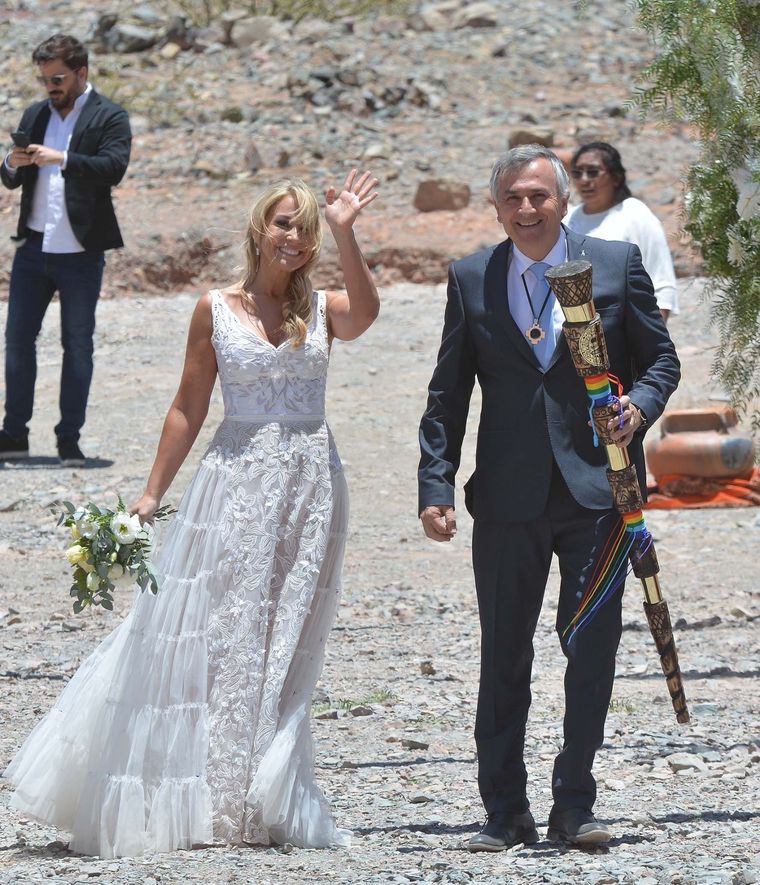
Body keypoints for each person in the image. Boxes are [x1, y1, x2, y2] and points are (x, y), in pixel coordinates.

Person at [4, 170, 380, 857]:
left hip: (309, 485)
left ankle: (266, 787)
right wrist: (151, 494)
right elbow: (188, 405)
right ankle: (206, 791)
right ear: (259, 229)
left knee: (288, 635)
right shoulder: (215, 308)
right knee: (220, 629)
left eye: (307, 229)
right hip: (234, 485)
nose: (295, 238)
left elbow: (366, 315)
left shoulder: (324, 306)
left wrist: (347, 233)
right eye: (284, 223)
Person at [418, 145, 679, 850]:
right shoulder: (471, 276)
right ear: (496, 206)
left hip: (599, 493)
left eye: (539, 195)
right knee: (503, 654)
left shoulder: (615, 263)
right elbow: (448, 392)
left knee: (590, 649)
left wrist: (639, 408)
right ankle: (505, 810)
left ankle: (575, 803)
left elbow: (661, 359)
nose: (526, 208)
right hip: (507, 499)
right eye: (512, 197)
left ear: (563, 201)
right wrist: (436, 483)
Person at [0, 33, 131, 467]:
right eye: (45, 80)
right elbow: (12, 176)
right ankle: (13, 435)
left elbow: (113, 168)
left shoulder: (110, 115)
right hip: (33, 248)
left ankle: (68, 439)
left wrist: (63, 158)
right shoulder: (36, 113)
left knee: (77, 345)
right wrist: (12, 163)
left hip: (81, 251)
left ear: (81, 73)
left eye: (57, 79)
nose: (50, 87)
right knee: (17, 341)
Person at [565, 142, 678, 324]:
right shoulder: (568, 219)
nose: (584, 180)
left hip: (627, 326)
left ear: (616, 177)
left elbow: (661, 282)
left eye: (593, 172)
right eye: (577, 173)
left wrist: (653, 334)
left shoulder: (636, 215)